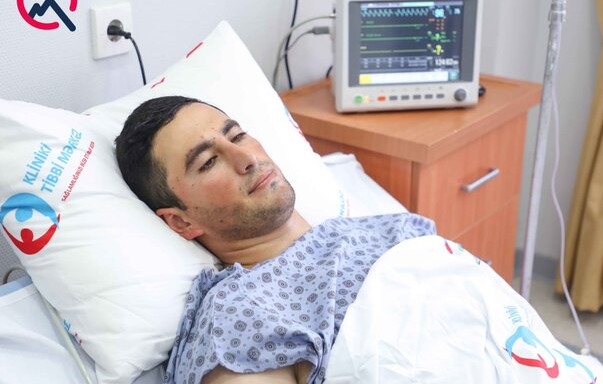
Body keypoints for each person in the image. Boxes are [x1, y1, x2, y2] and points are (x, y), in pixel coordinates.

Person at [115, 96, 437, 384]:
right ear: (181, 221)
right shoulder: (239, 317)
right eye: (208, 162)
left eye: (237, 136)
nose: (246, 158)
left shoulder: (384, 229)